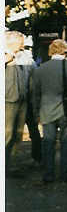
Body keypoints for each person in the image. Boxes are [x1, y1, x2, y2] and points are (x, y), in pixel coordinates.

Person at [32, 39, 67, 183]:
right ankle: (66, 172)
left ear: (51, 51)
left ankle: (48, 173)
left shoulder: (40, 69)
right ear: (65, 51)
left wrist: (36, 113)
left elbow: (35, 93)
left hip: (46, 111)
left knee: (48, 142)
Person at [5, 30, 34, 172]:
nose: (23, 44)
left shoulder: (23, 56)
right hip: (7, 101)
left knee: (17, 134)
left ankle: (11, 164)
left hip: (22, 100)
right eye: (21, 41)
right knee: (6, 134)